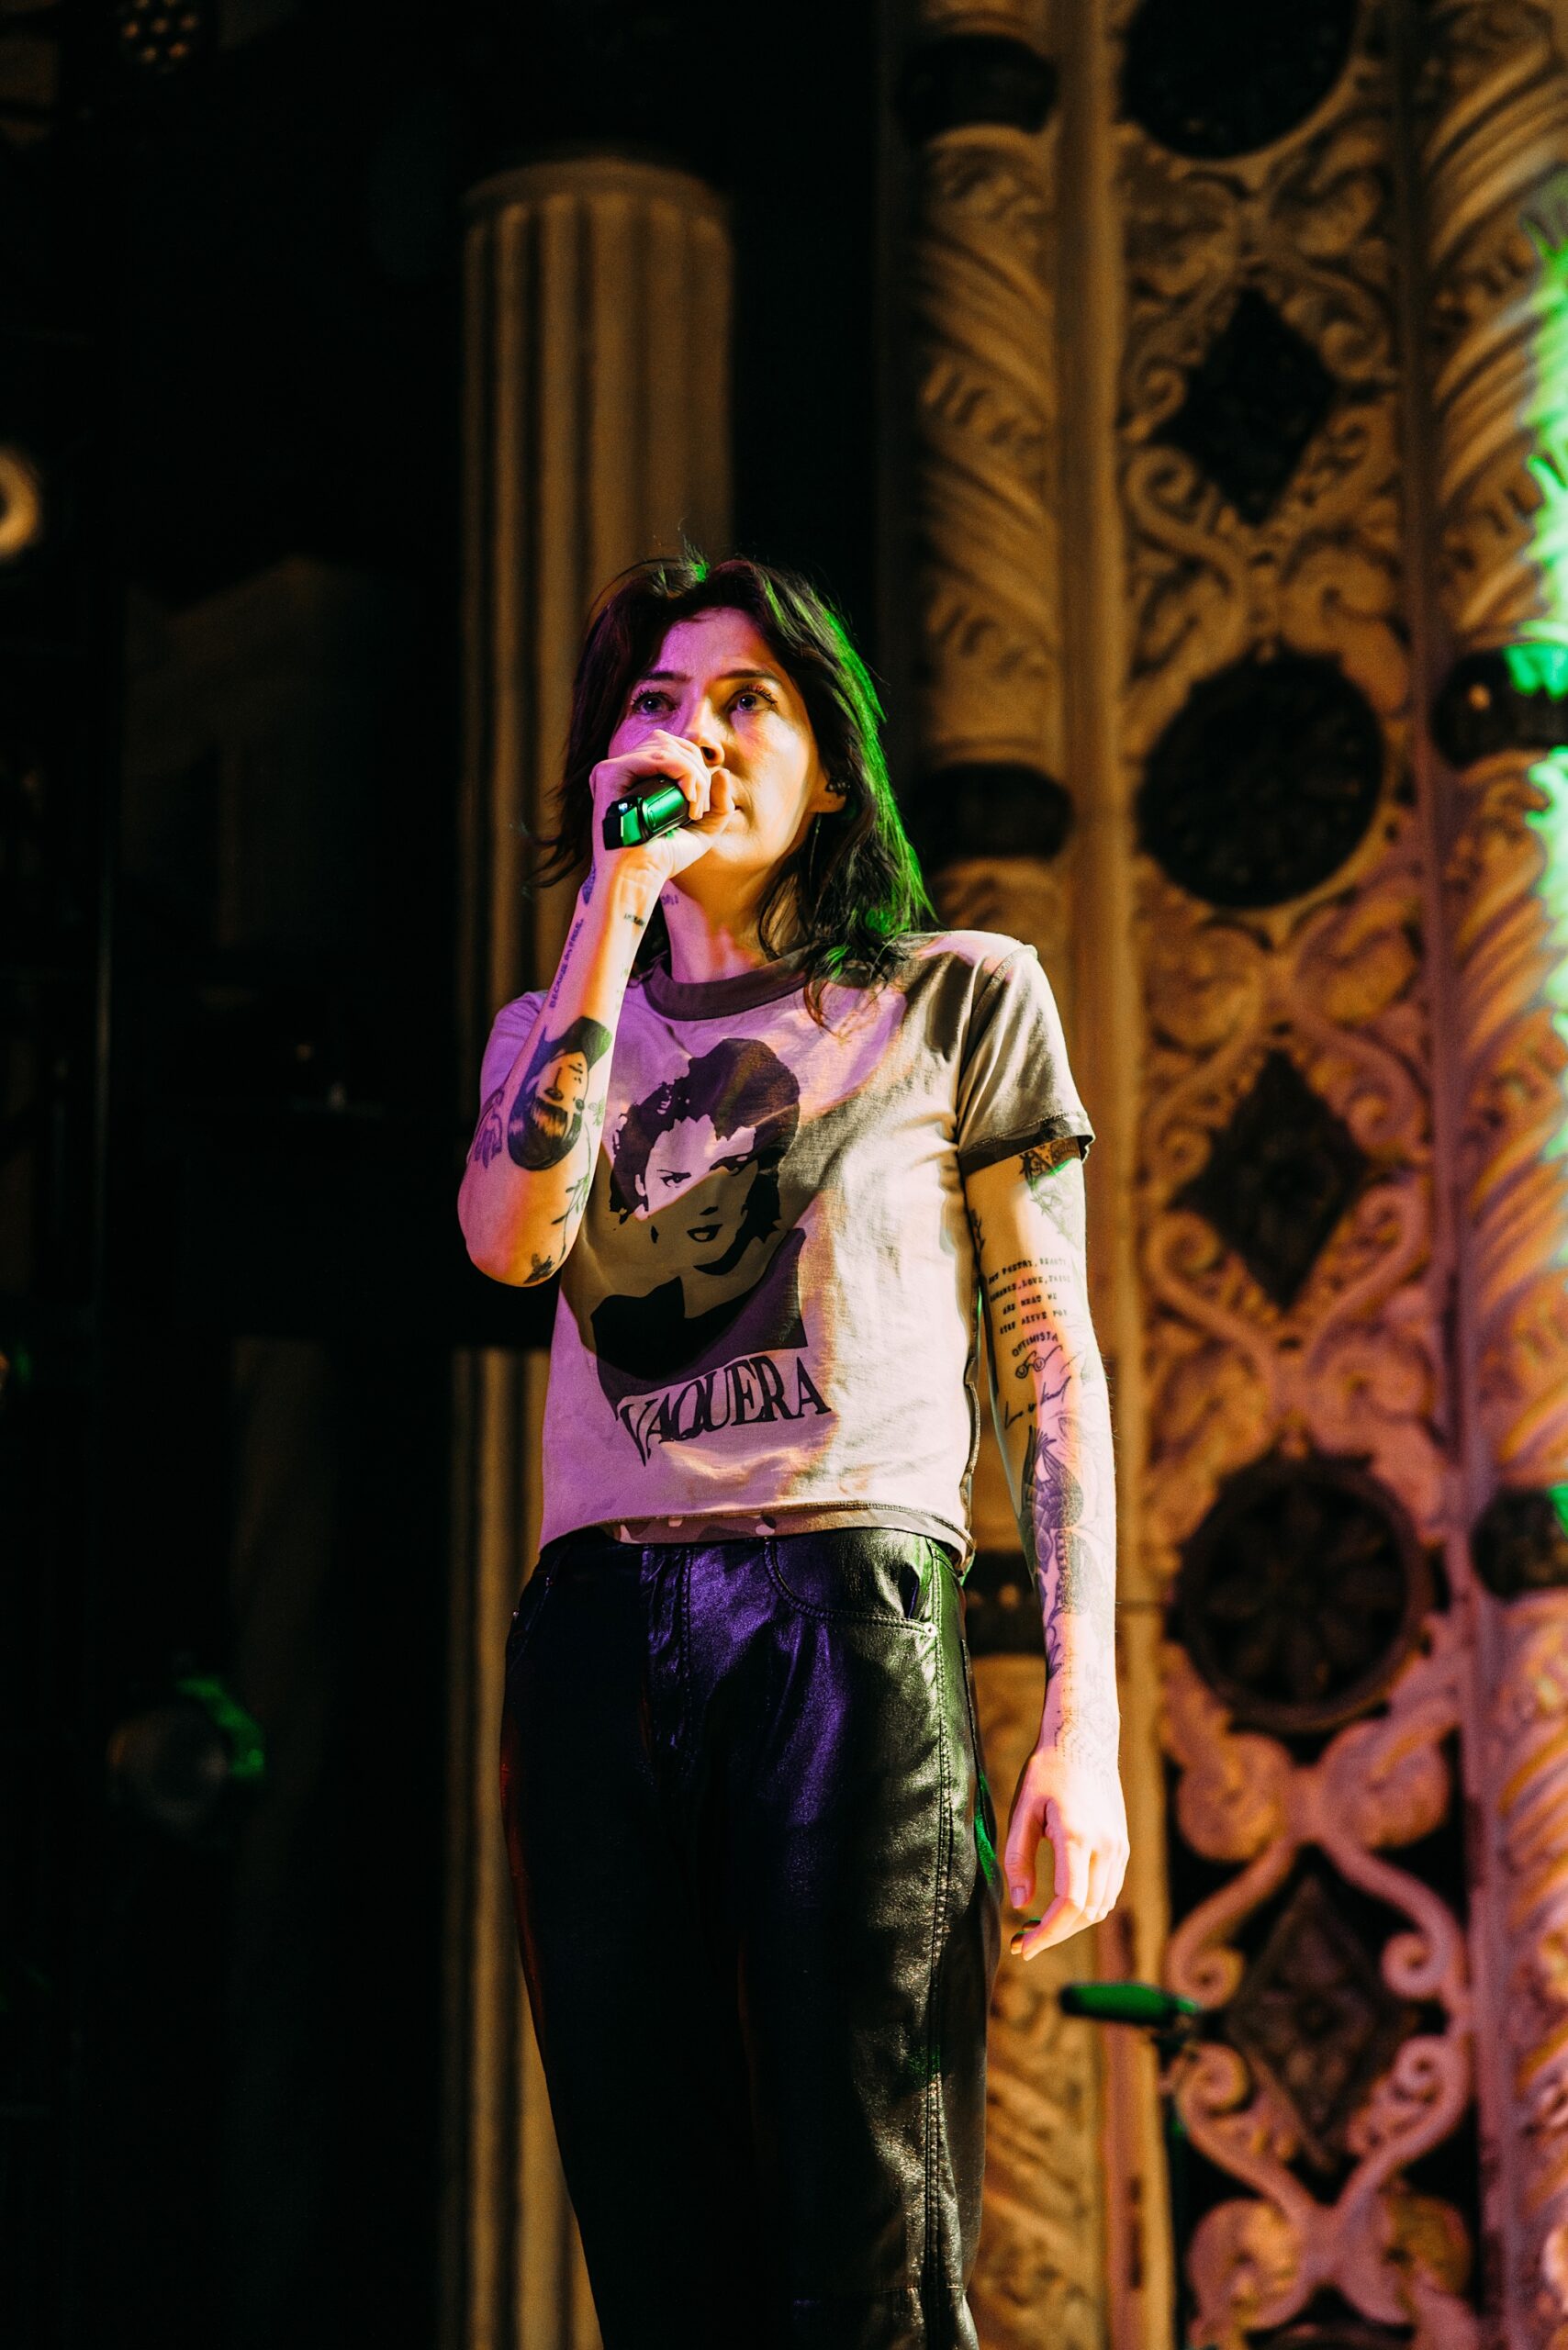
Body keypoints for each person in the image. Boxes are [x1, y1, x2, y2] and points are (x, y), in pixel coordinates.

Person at [457, 554, 1127, 2350]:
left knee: (866, 2246)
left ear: (830, 767)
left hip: (842, 1611)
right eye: (657, 701)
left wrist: (1080, 1721)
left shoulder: (955, 995)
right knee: (661, 2256)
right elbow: (511, 1243)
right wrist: (613, 905)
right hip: (597, 1637)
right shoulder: (554, 1033)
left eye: (747, 699)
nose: (697, 732)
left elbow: (1049, 1356)